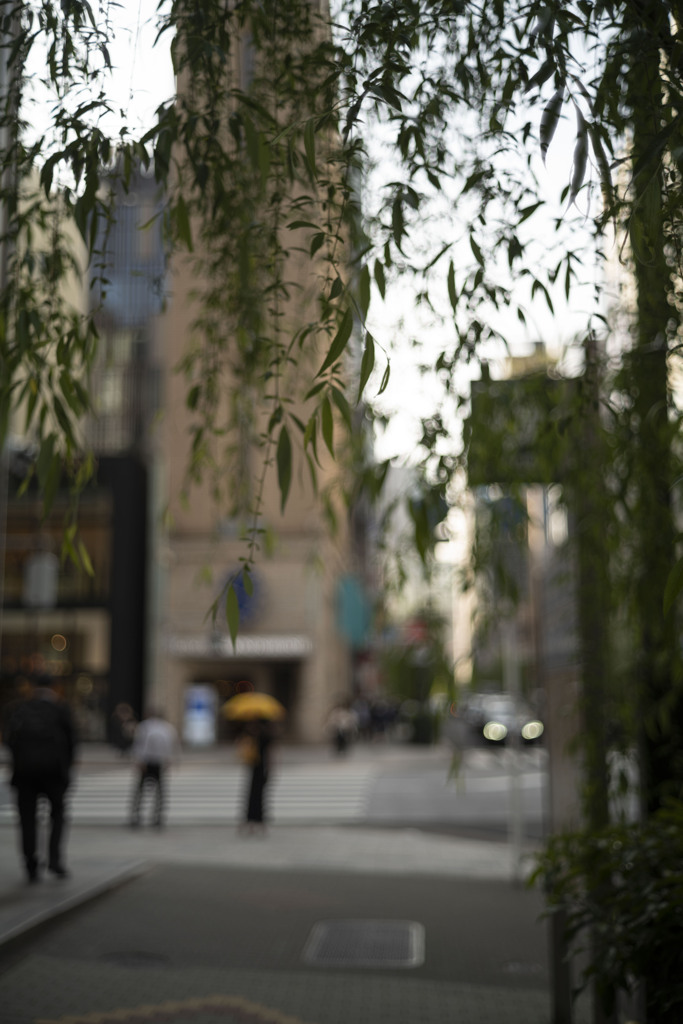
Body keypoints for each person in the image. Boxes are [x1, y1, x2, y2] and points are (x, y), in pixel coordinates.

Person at [3, 673, 77, 883]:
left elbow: (9, 741)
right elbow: (72, 743)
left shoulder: (19, 709)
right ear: (54, 686)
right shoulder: (61, 710)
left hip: (25, 773)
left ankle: (30, 864)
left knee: (27, 819)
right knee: (58, 814)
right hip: (54, 773)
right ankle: (54, 860)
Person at [129, 708, 180, 828]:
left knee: (141, 790)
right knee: (159, 791)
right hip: (160, 761)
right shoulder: (168, 728)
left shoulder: (144, 727)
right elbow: (173, 745)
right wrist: (171, 760)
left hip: (147, 760)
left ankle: (136, 815)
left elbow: (139, 744)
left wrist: (138, 760)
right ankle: (157, 816)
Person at [240, 720, 272, 833]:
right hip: (256, 768)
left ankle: (256, 820)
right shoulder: (251, 735)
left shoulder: (259, 735)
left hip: (258, 768)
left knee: (257, 795)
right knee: (254, 795)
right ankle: (254, 820)